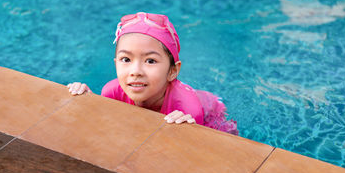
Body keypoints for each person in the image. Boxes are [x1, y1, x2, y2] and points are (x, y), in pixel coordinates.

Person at [67, 12, 238, 135]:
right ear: (115, 63)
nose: (136, 72)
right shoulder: (111, 92)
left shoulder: (188, 108)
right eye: (126, 59)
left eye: (150, 61)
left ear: (173, 71)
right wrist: (88, 104)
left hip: (210, 111)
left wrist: (188, 132)